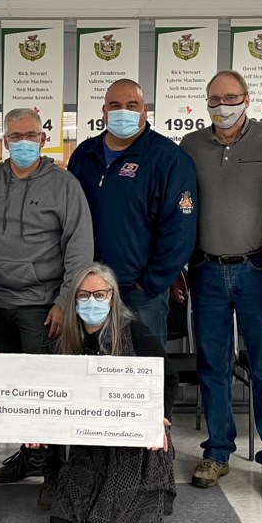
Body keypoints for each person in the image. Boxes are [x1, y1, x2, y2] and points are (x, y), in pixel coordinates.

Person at [179, 69, 262, 500]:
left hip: (259, 271)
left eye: (231, 97)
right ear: (205, 102)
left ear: (248, 99)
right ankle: (218, 451)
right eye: (214, 98)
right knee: (213, 367)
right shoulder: (191, 146)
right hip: (207, 271)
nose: (222, 105)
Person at [0, 108, 94, 504]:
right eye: (15, 136)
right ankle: (31, 455)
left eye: (31, 134)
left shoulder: (64, 184)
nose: (23, 142)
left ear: (43, 139)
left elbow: (79, 247)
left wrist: (64, 302)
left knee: (44, 389)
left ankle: (54, 473)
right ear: (5, 140)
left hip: (41, 305)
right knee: (16, 386)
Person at [48, 262, 177, 523]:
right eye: (83, 295)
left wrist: (158, 418)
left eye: (99, 294)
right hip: (90, 447)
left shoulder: (135, 333)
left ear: (112, 297)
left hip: (133, 446)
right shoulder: (69, 339)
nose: (91, 301)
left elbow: (168, 379)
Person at [68, 79, 197, 344]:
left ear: (144, 110)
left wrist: (150, 283)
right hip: (90, 290)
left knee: (143, 373)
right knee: (91, 368)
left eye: (131, 105)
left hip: (140, 292)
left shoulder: (168, 158)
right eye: (115, 105)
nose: (122, 111)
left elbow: (180, 229)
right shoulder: (83, 155)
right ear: (103, 111)